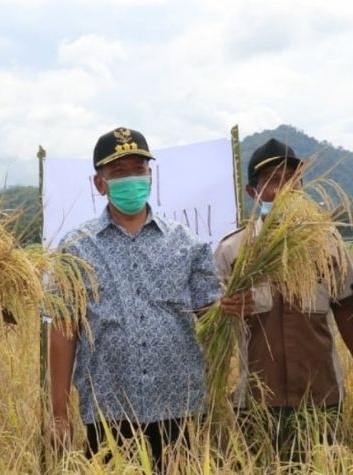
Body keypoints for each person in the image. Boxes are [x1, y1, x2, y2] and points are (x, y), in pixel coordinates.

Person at [49, 127, 222, 471]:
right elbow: (63, 331)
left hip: (179, 405)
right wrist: (58, 414)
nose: (132, 179)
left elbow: (210, 316)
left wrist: (228, 310)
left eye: (138, 170)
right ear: (99, 184)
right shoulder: (76, 248)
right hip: (109, 409)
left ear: (150, 175)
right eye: (119, 173)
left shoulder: (187, 243)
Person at [216, 139, 353, 459]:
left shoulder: (328, 245)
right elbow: (212, 323)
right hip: (257, 404)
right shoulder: (233, 252)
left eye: (293, 179)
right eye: (274, 181)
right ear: (253, 193)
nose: (286, 189)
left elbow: (347, 312)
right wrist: (224, 309)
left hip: (321, 399)